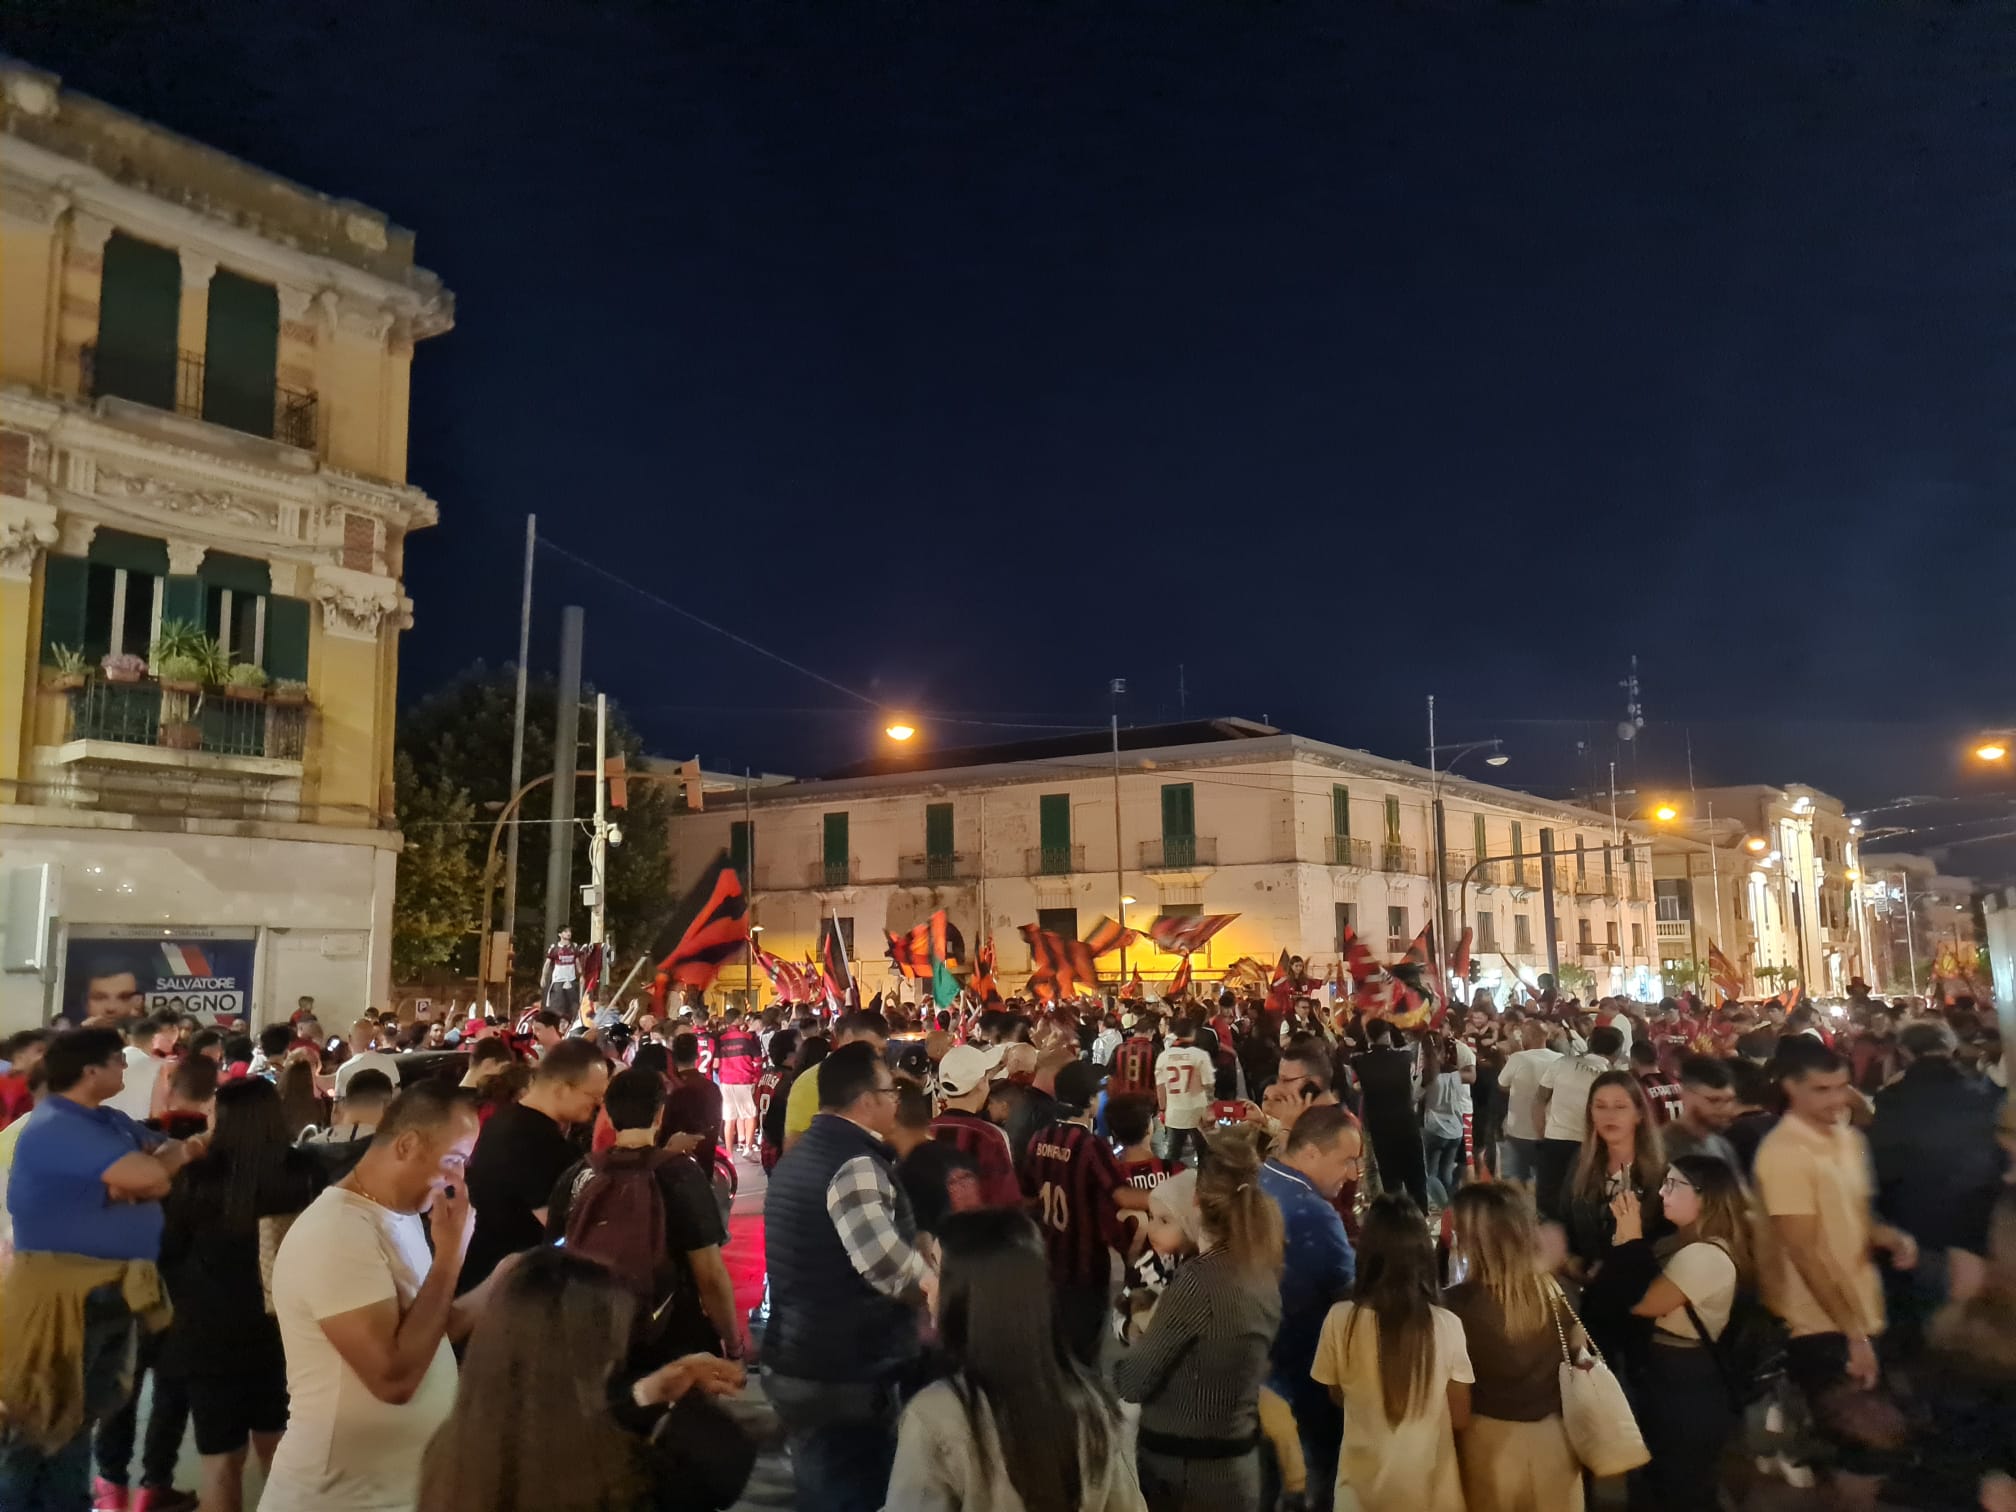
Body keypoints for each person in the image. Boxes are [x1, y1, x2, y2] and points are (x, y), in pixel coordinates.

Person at [261, 1083, 508, 1512]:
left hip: (392, 1492)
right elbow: (392, 1378)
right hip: (336, 1499)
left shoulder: (398, 1214)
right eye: (452, 1161)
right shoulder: (338, 1231)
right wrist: (451, 1255)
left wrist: (502, 1281)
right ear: (408, 1145)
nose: (457, 1179)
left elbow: (424, 1330)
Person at [0, 1027, 205, 1512]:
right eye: (117, 1061)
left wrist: (145, 1173)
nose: (125, 1069)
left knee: (75, 1427)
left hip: (105, 1296)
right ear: (88, 1073)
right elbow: (154, 1174)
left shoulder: (108, 1123)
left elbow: (156, 1162)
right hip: (52, 1302)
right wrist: (158, 1168)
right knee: (34, 1426)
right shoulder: (51, 1129)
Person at [417, 1246, 746, 1512]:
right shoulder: (622, 1476)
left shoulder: (452, 1454)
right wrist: (689, 1412)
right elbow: (726, 1466)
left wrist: (647, 1392)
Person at [1754, 1035, 1918, 1511]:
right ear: (1791, 1089)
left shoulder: (1847, 1139)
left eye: (1841, 1087)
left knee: (1871, 1445)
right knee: (1865, 1447)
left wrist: (1888, 1238)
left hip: (1862, 1308)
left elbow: (1854, 1217)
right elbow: (1804, 1252)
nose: (1836, 1099)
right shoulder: (1783, 1153)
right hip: (1819, 1323)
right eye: (1821, 1090)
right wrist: (1853, 1337)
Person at [887, 1207, 1144, 1511]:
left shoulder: (936, 1418)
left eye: (938, 1269)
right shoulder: (1092, 1405)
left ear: (977, 1295)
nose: (926, 1283)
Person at [763, 1041, 929, 1511]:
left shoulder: (803, 1154)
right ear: (866, 1100)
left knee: (819, 1484)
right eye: (890, 1089)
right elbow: (889, 1270)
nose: (898, 1099)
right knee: (848, 1491)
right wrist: (939, 1285)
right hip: (843, 1368)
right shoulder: (853, 1164)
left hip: (800, 1354)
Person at [156, 1077, 321, 1512]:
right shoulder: (304, 1172)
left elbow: (168, 1250)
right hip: (284, 1329)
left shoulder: (197, 1177)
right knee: (283, 1458)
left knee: (219, 1464)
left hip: (208, 1331)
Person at [1116, 1124, 1283, 1512]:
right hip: (1237, 1459)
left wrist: (1142, 1323)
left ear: (1195, 1199)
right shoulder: (1263, 1265)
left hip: (1188, 1472)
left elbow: (1132, 1380)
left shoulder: (1200, 1281)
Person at [545, 1067, 739, 1365]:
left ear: (607, 1114)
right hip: (671, 1337)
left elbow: (554, 1256)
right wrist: (733, 1342)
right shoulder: (680, 1173)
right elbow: (710, 1275)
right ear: (660, 1114)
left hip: (594, 1338)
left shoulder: (578, 1174)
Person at [1604, 1156, 1758, 1512]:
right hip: (1667, 1374)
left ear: (1706, 1196)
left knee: (1680, 1484)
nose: (1661, 1192)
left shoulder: (1706, 1255)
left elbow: (1643, 1303)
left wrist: (1629, 1236)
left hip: (1687, 1383)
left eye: (1673, 1185)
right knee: (1660, 1477)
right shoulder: (1680, 1245)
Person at [1311, 1193, 1473, 1512]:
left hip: (1357, 1493)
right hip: (1431, 1492)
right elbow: (1460, 1416)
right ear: (1423, 1256)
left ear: (1367, 1254)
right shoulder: (1446, 1325)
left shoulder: (1339, 1319)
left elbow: (1336, 1393)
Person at [1869, 1018, 2004, 1359]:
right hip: (1980, 1229)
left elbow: (1881, 1171)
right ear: (1951, 1048)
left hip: (1918, 1232)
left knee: (1932, 1332)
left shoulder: (1892, 1102)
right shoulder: (1985, 1094)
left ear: (1903, 1052)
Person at [1446, 1183, 1583, 1512]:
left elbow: (1457, 1412)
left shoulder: (1454, 1307)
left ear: (1469, 1240)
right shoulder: (1562, 1292)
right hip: (1556, 1443)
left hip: (1487, 1446)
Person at [1259, 1104, 1363, 1510]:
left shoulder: (1258, 1179)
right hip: (1304, 1386)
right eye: (1347, 1160)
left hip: (1257, 1377)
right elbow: (1351, 1295)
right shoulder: (1314, 1213)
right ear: (1312, 1154)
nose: (1353, 1173)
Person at [460, 1038, 609, 1293]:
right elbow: (569, 1227)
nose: (598, 1105)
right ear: (562, 1089)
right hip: (507, 1288)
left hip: (487, 1274)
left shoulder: (507, 1119)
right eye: (593, 1096)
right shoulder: (535, 1141)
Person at [1020, 1060, 1137, 1364]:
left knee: (1055, 1350)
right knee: (1084, 1356)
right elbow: (1121, 1195)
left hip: (1047, 1264)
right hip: (1084, 1272)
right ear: (1089, 1101)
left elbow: (1027, 1196)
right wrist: (1168, 1195)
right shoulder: (1090, 1145)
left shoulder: (1039, 1138)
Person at [1561, 1069, 1667, 1274]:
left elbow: (1667, 1240)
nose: (1610, 1115)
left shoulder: (1662, 1169)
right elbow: (1564, 1220)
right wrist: (1573, 1263)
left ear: (1639, 1114)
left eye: (1620, 1107)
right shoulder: (1581, 1162)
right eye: (1600, 1106)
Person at [1533, 1023, 1623, 1220]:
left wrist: (1541, 1133)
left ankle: (1551, 1237)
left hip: (1554, 1139)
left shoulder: (1562, 1064)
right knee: (1581, 1196)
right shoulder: (1611, 1078)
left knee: (1549, 1197)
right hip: (1590, 1144)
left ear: (1590, 1043)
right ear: (1618, 1051)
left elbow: (1539, 1099)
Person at [930, 1042, 1021, 1208]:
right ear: (982, 1082)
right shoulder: (990, 1136)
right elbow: (1006, 1203)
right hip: (977, 1231)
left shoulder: (924, 1132)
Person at [783, 1009, 889, 1150]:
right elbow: (794, 1146)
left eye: (881, 1050)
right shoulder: (810, 1082)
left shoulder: (883, 1079)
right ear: (847, 1038)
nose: (875, 1056)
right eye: (868, 1048)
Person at [1351, 1021, 1427, 1211]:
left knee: (1390, 1179)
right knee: (1415, 1176)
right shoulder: (1404, 1057)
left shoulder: (1360, 1062)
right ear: (1389, 1034)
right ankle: (1421, 1216)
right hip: (1406, 1124)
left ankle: (1398, 1220)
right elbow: (1402, 1045)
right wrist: (1392, 1026)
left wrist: (1368, 1035)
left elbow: (1356, 1051)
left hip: (1380, 1128)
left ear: (1367, 1036)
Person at [1152, 1017, 1216, 1167]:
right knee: (1205, 1153)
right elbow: (1209, 1085)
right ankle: (1204, 1185)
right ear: (1193, 1034)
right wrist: (1210, 1107)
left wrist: (1162, 1109)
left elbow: (1160, 1088)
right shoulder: (1200, 1055)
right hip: (1197, 1110)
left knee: (1173, 1153)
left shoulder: (1164, 1056)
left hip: (1175, 1112)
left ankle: (1170, 1181)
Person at [1661, 1055, 1739, 1167]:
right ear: (1685, 1095)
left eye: (1730, 1100)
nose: (1726, 1108)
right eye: (1715, 1100)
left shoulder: (1723, 1145)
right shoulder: (1659, 1149)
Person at [105, 1014, 173, 1121]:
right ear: (155, 1039)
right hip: (135, 1130)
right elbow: (158, 1111)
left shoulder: (106, 1060)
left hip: (102, 1125)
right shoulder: (158, 1067)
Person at [715, 1013, 762, 1157]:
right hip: (744, 1080)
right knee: (750, 1115)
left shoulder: (720, 1039)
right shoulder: (747, 1037)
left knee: (729, 1119)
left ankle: (729, 1153)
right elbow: (758, 1060)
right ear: (736, 1020)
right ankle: (748, 1147)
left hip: (726, 1081)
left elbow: (716, 1063)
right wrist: (755, 1077)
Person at [333, 1018, 398, 1098]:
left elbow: (338, 1108)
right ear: (373, 1039)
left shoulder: (345, 1069)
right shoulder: (390, 1063)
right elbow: (397, 1097)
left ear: (349, 1038)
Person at [1630, 1039, 1682, 1125]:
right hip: (1680, 1135)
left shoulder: (1640, 1088)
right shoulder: (1677, 1081)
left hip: (1657, 1137)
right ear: (1658, 1058)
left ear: (1633, 1062)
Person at [542, 926, 583, 1021]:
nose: (569, 933)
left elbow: (577, 962)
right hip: (558, 980)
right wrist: (543, 977)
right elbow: (547, 963)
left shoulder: (574, 947)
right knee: (557, 1005)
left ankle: (572, 1022)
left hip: (571, 979)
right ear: (560, 934)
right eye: (565, 932)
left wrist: (581, 975)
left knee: (573, 1004)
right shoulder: (554, 948)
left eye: (570, 931)